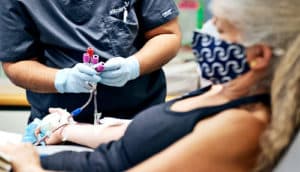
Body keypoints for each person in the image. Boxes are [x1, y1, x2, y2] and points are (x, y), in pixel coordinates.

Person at [1, 0, 300, 171]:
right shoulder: (218, 93)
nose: (204, 35)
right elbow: (145, 132)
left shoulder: (242, 123)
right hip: (69, 141)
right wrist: (65, 128)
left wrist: (30, 167)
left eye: (220, 29)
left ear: (259, 55)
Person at [0, 0, 181, 123]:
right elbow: (17, 62)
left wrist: (133, 66)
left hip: (138, 118)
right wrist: (63, 80)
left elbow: (167, 34)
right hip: (59, 124)